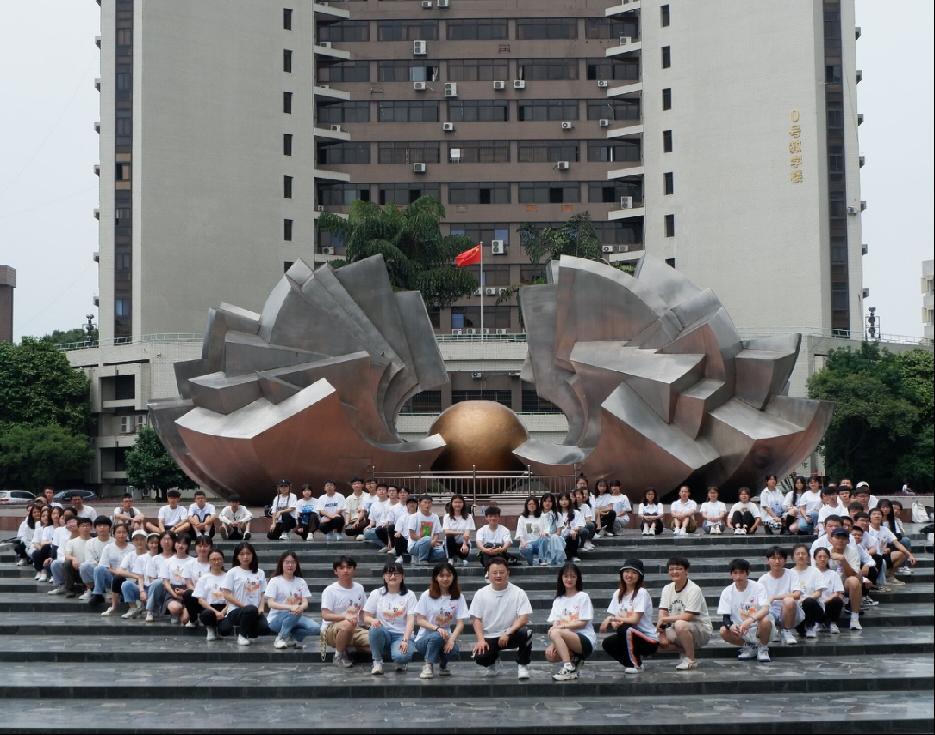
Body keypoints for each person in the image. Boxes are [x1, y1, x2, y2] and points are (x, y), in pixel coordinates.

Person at [469, 557, 533, 679]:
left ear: (508, 573)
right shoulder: (481, 594)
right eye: (494, 572)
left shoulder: (518, 592)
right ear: (488, 574)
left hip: (510, 634)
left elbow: (523, 618)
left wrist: (508, 632)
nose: (498, 575)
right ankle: (492, 660)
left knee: (526, 633)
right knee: (480, 656)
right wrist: (481, 640)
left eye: (502, 572)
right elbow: (476, 619)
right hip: (490, 636)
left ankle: (522, 665)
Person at [600, 559, 658, 673]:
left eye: (634, 572)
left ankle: (634, 665)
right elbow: (615, 622)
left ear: (640, 576)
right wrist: (613, 621)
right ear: (622, 574)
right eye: (627, 572)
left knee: (624, 628)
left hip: (648, 640)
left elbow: (635, 619)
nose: (629, 575)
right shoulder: (617, 593)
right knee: (607, 643)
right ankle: (635, 663)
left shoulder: (641, 593)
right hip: (629, 637)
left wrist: (611, 619)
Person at [656, 556, 713, 670]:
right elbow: (663, 611)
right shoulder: (667, 588)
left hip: (701, 630)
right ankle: (686, 649)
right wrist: (661, 631)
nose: (674, 572)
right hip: (678, 629)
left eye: (679, 569)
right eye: (671, 569)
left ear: (686, 571)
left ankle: (691, 659)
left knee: (680, 624)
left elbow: (688, 616)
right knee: (653, 641)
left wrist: (664, 620)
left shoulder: (694, 589)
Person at [413, 561, 469, 679]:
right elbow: (419, 620)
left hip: (445, 637)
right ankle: (428, 665)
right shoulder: (426, 595)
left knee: (454, 650)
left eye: (448, 575)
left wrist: (452, 640)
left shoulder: (459, 597)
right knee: (437, 636)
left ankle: (443, 665)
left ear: (453, 577)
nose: (445, 578)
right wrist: (437, 628)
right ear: (436, 578)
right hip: (424, 639)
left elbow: (460, 624)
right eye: (441, 576)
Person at [545, 562, 596, 681]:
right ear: (561, 578)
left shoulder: (583, 597)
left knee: (554, 631)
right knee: (550, 655)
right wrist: (553, 644)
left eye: (573, 576)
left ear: (577, 579)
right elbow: (555, 625)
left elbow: (582, 623)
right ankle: (575, 660)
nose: (569, 579)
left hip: (585, 640)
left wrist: (561, 627)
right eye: (566, 576)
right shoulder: (558, 600)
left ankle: (568, 668)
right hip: (566, 638)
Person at [364, 562, 417, 674]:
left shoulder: (410, 595)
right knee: (374, 628)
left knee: (401, 657)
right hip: (384, 633)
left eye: (396, 573)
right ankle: (377, 662)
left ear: (403, 576)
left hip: (401, 635)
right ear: (384, 576)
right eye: (389, 573)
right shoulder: (377, 593)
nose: (392, 576)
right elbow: (366, 617)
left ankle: (399, 659)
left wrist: (405, 640)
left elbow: (411, 620)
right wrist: (373, 620)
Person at [717, 558, 772, 663]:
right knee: (723, 631)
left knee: (765, 621)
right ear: (731, 574)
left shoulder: (758, 587)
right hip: (741, 630)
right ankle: (750, 647)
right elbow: (725, 617)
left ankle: (763, 648)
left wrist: (750, 620)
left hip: (760, 627)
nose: (738, 577)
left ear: (748, 573)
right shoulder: (727, 591)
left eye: (741, 572)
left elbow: (765, 609)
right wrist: (731, 626)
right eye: (735, 573)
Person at [320, 555, 370, 667]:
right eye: (341, 568)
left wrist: (370, 624)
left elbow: (363, 612)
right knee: (347, 624)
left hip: (355, 628)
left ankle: (347, 645)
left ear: (354, 570)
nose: (345, 571)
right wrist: (345, 617)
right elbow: (325, 615)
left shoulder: (359, 588)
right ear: (335, 571)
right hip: (331, 629)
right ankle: (338, 656)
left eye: (349, 567)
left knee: (376, 644)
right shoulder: (330, 590)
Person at [266, 551, 320, 649]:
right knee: (295, 612)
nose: (290, 565)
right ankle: (281, 638)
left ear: (296, 564)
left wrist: (300, 607)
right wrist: (291, 607)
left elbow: (305, 603)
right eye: (287, 562)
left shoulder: (301, 581)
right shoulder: (275, 581)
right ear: (281, 564)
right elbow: (270, 603)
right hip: (276, 619)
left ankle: (289, 635)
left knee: (316, 628)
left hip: (295, 616)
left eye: (293, 562)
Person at [219, 542, 270, 645]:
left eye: (248, 553)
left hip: (254, 611)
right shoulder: (232, 572)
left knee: (264, 628)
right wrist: (243, 606)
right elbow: (226, 594)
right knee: (249, 609)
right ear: (237, 556)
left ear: (253, 555)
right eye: (242, 554)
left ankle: (249, 629)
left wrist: (261, 608)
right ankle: (242, 636)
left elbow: (263, 593)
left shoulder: (260, 573)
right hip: (236, 611)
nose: (245, 557)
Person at [757, 546, 803, 645]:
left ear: (785, 560)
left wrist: (774, 597)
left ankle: (786, 631)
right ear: (768, 560)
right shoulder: (763, 580)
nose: (777, 561)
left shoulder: (792, 574)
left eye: (780, 558)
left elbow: (797, 595)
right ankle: (774, 630)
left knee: (789, 600)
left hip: (790, 611)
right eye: (773, 558)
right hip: (771, 612)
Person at [90, 522, 131, 610]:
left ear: (127, 534)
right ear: (114, 534)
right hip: (112, 578)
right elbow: (104, 566)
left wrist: (122, 573)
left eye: (124, 532)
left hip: (128, 578)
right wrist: (116, 572)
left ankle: (123, 594)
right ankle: (98, 594)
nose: (121, 535)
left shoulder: (132, 548)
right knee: (98, 569)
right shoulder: (108, 548)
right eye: (118, 532)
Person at [788, 543, 825, 639]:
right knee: (801, 632)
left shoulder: (815, 571)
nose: (801, 556)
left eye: (803, 554)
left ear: (808, 557)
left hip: (813, 607)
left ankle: (810, 626)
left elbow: (818, 592)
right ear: (793, 557)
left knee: (808, 602)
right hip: (796, 609)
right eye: (798, 554)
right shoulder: (789, 573)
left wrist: (804, 599)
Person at [120, 533, 159, 618]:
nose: (154, 545)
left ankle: (150, 610)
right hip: (144, 587)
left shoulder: (162, 557)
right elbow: (140, 576)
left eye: (156, 543)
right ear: (148, 543)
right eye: (151, 543)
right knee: (126, 584)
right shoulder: (141, 558)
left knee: (156, 584)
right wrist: (142, 591)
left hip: (157, 589)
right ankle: (133, 609)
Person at [195, 548, 229, 641]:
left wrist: (222, 612)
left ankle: (219, 629)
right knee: (207, 614)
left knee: (226, 629)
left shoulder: (228, 577)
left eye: (219, 559)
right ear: (209, 561)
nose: (216, 562)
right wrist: (215, 611)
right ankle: (210, 628)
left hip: (225, 608)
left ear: (223, 560)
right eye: (213, 559)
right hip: (209, 608)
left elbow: (233, 598)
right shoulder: (204, 578)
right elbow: (200, 600)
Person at [144, 531, 178, 623]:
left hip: (174, 588)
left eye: (169, 539)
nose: (166, 542)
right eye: (164, 539)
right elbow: (152, 578)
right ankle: (150, 611)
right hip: (159, 588)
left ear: (174, 541)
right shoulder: (155, 558)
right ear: (160, 542)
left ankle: (174, 613)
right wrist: (164, 583)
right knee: (158, 582)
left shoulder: (178, 557)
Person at [115, 530, 150, 618]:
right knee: (126, 584)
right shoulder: (130, 555)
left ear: (146, 540)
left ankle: (148, 609)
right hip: (137, 586)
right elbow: (119, 571)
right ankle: (133, 608)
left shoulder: (151, 554)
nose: (139, 542)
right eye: (136, 539)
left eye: (142, 539)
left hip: (149, 586)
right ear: (133, 541)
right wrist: (137, 577)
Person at [162, 534, 195, 623]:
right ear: (174, 544)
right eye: (178, 543)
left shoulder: (193, 561)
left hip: (188, 591)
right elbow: (165, 581)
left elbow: (193, 581)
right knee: (175, 608)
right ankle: (178, 611)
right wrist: (174, 594)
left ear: (188, 546)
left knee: (184, 620)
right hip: (172, 590)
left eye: (184, 543)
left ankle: (185, 610)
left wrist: (185, 592)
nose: (180, 546)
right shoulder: (167, 561)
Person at [180, 535, 213, 626]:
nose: (202, 549)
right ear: (195, 547)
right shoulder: (189, 564)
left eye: (205, 546)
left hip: (210, 597)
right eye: (200, 546)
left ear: (210, 547)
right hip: (196, 596)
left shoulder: (214, 563)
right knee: (188, 593)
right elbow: (189, 584)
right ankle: (193, 620)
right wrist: (199, 595)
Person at [812, 547, 845, 633]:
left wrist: (825, 601)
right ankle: (817, 622)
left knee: (837, 600)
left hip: (828, 604)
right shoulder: (810, 573)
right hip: (814, 604)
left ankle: (832, 623)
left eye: (825, 557)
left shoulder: (833, 574)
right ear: (814, 558)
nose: (822, 559)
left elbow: (837, 592)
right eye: (819, 557)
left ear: (828, 558)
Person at [407, 495, 446, 564]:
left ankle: (422, 557)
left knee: (441, 553)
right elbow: (412, 535)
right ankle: (422, 560)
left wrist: (433, 542)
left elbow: (436, 534)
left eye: (429, 503)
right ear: (419, 503)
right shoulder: (413, 517)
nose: (427, 505)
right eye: (425, 502)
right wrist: (428, 542)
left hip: (430, 544)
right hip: (415, 545)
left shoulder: (435, 517)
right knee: (427, 538)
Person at [61, 517, 93, 597]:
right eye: (83, 526)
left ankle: (90, 587)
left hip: (90, 571)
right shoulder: (71, 542)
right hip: (77, 570)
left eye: (87, 525)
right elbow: (67, 555)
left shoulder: (94, 541)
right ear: (78, 528)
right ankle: (69, 589)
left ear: (91, 527)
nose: (85, 528)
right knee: (67, 563)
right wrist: (73, 558)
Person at [475, 506, 513, 570]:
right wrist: (485, 549)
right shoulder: (481, 530)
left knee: (498, 546)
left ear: (499, 517)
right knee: (487, 546)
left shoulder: (504, 529)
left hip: (500, 552)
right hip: (486, 553)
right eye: (490, 516)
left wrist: (502, 549)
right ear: (486, 518)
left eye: (495, 516)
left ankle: (497, 569)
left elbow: (507, 541)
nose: (493, 518)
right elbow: (478, 542)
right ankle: (488, 570)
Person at [441, 494, 475, 565]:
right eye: (455, 502)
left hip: (463, 542)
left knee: (464, 551)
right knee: (449, 536)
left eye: (460, 502)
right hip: (450, 544)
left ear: (463, 503)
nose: (457, 504)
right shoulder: (447, 517)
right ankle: (450, 558)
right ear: (452, 503)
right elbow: (447, 532)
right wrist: (462, 532)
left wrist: (465, 544)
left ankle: (462, 558)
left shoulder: (468, 517)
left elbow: (467, 533)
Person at [539, 493, 568, 566]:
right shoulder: (538, 514)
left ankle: (556, 560)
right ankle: (544, 559)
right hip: (541, 537)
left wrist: (548, 534)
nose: (547, 503)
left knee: (554, 538)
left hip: (554, 538)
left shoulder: (557, 515)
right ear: (542, 502)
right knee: (543, 539)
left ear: (553, 503)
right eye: (545, 501)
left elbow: (558, 533)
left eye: (549, 501)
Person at [515, 496, 545, 566]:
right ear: (526, 505)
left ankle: (541, 559)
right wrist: (523, 541)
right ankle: (532, 562)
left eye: (534, 504)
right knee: (527, 548)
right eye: (530, 504)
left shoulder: (542, 516)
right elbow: (520, 532)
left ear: (537, 505)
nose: (532, 506)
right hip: (527, 544)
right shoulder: (522, 518)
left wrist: (543, 532)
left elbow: (545, 529)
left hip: (539, 544)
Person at [556, 493, 583, 562]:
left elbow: (580, 525)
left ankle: (574, 555)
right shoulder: (555, 514)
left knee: (574, 534)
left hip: (571, 538)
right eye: (561, 500)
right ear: (558, 501)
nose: (564, 502)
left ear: (569, 501)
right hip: (559, 539)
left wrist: (574, 530)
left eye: (566, 499)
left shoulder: (576, 512)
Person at [392, 496, 419, 561]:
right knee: (397, 536)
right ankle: (399, 556)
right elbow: (398, 530)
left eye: (414, 503)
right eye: (410, 503)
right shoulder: (402, 518)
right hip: (406, 541)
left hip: (417, 541)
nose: (412, 504)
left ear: (417, 504)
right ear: (406, 505)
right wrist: (398, 533)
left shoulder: (420, 516)